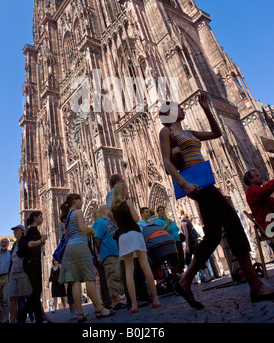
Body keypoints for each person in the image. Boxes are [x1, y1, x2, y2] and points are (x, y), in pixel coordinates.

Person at [159, 93, 274, 308]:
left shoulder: (188, 132)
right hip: (197, 185)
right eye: (178, 107)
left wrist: (205, 108)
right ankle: (255, 285)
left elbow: (216, 132)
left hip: (205, 181)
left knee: (212, 236)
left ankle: (185, 282)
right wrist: (184, 184)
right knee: (233, 223)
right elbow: (167, 162)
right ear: (169, 113)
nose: (182, 109)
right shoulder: (167, 132)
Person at [58, 193, 115, 322]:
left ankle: (80, 314)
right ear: (74, 201)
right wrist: (92, 231)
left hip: (70, 249)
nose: (81, 203)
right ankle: (100, 309)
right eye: (80, 200)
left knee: (75, 281)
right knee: (89, 278)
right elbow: (83, 228)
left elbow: (67, 235)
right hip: (80, 247)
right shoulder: (77, 212)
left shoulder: (66, 218)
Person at [111, 183, 161, 313]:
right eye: (126, 189)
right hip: (134, 233)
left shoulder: (112, 208)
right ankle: (155, 299)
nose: (128, 191)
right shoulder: (128, 202)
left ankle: (133, 304)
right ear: (122, 191)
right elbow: (136, 218)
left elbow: (115, 222)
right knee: (145, 265)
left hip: (123, 237)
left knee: (128, 270)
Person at [107, 174, 152, 308]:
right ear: (117, 182)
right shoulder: (115, 194)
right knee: (137, 265)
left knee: (129, 266)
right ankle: (142, 296)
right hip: (125, 231)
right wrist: (121, 222)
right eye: (123, 180)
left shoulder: (113, 196)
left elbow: (109, 212)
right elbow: (134, 218)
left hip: (121, 232)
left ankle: (134, 300)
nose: (125, 182)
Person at [93, 205, 126, 310]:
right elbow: (96, 239)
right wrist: (100, 251)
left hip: (115, 252)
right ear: (104, 211)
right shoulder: (99, 222)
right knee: (112, 276)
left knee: (117, 275)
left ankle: (117, 298)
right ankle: (115, 302)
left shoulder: (107, 222)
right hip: (108, 253)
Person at [18, 211, 48, 323]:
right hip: (33, 263)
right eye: (40, 216)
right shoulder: (32, 230)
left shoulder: (31, 230)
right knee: (35, 292)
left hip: (31, 263)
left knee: (35, 292)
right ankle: (22, 317)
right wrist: (41, 240)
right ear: (35, 218)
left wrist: (40, 243)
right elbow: (30, 244)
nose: (42, 218)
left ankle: (38, 318)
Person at [9, 224, 33, 323]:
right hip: (13, 273)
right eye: (14, 230)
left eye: (16, 230)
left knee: (30, 296)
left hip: (23, 272)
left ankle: (41, 314)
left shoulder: (25, 241)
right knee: (13, 298)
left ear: (22, 231)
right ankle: (13, 320)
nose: (14, 232)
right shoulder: (14, 244)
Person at [244, 168, 274, 235]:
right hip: (269, 225)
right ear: (250, 179)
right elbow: (266, 190)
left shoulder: (258, 190)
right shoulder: (251, 191)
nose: (260, 177)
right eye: (257, 176)